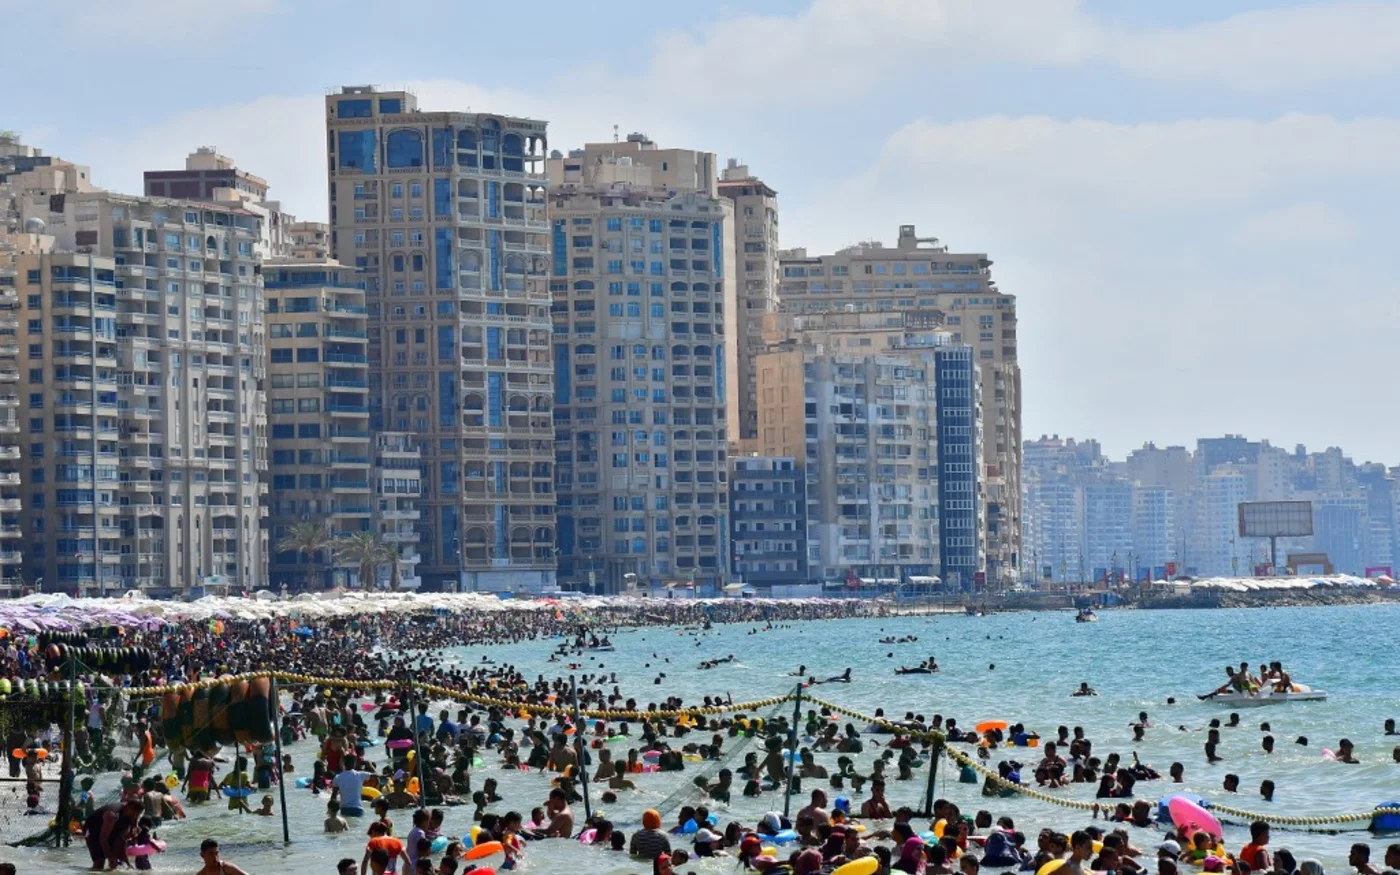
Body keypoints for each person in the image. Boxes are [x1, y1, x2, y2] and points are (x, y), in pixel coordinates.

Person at [83, 799, 141, 871]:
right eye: (136, 813)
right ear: (129, 808)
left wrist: (127, 862)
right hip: (92, 829)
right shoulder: (112, 815)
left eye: (138, 814)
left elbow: (121, 841)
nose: (136, 816)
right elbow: (103, 839)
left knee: (118, 862)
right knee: (99, 862)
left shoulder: (131, 815)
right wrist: (110, 857)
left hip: (109, 828)